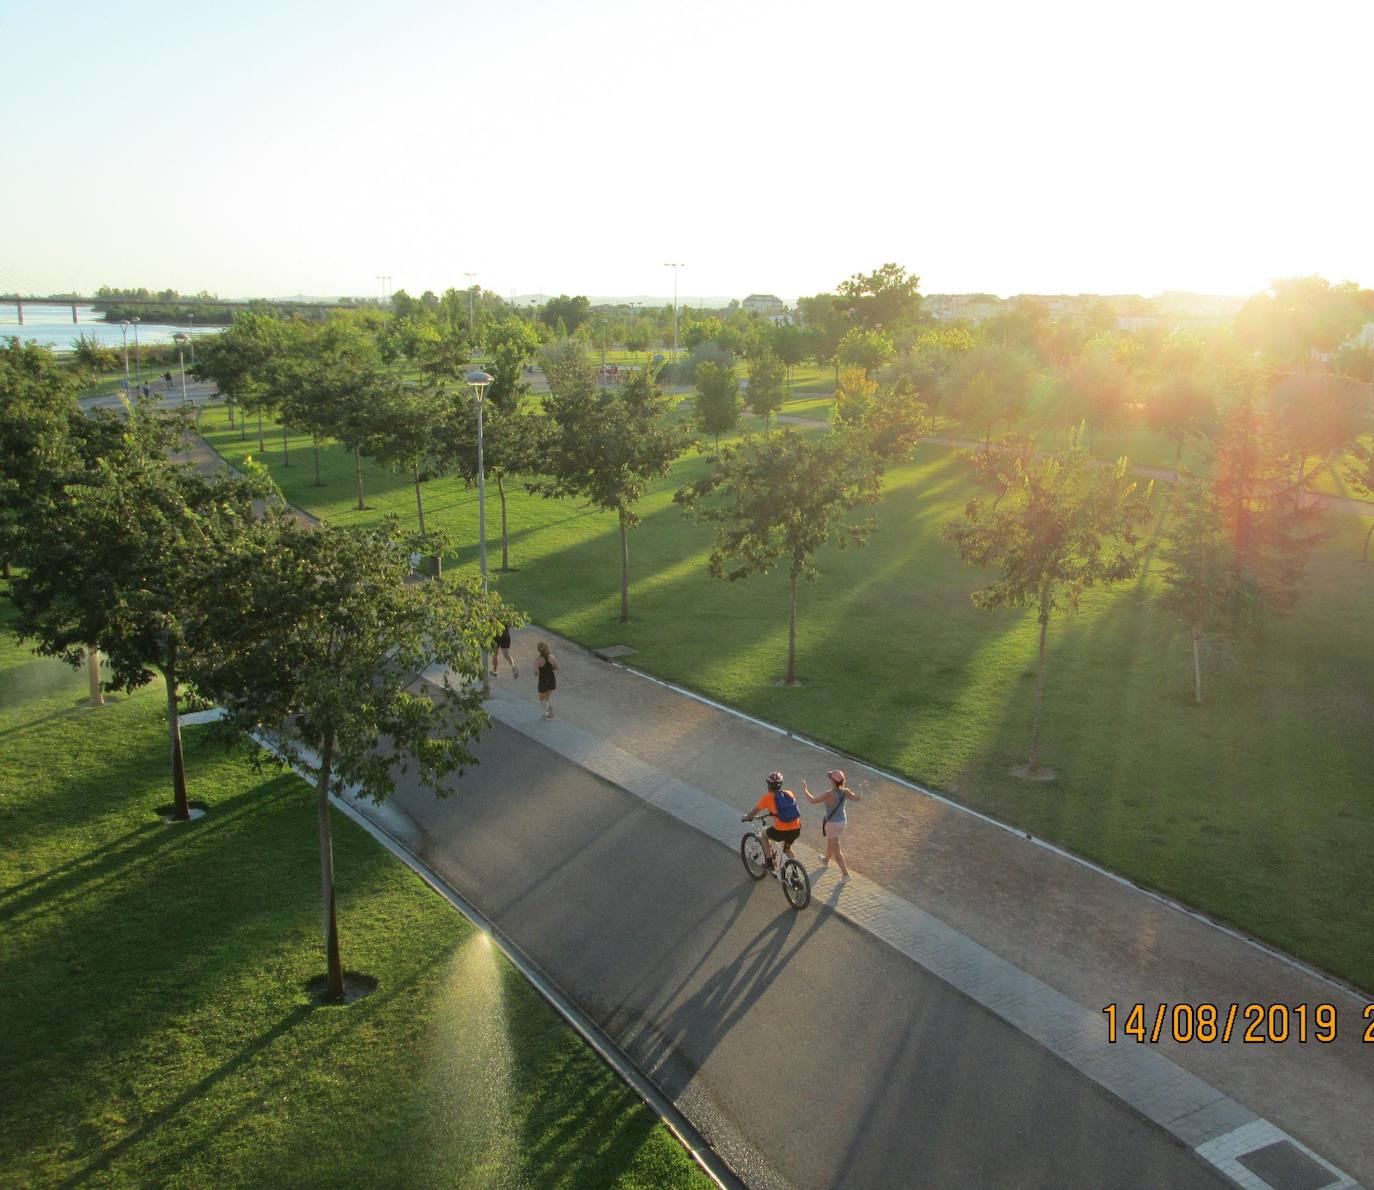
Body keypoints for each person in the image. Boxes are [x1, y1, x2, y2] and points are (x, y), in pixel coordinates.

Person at [802, 770, 860, 879]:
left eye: (830, 778)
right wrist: (862, 788)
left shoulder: (829, 794)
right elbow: (858, 798)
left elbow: (812, 800)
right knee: (831, 842)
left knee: (836, 850)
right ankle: (825, 860)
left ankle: (845, 874)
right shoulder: (846, 791)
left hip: (832, 824)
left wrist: (805, 789)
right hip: (842, 822)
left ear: (833, 781)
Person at [744, 771, 801, 869]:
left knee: (763, 836)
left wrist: (746, 818)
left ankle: (770, 864)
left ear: (769, 785)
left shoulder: (767, 798)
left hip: (780, 831)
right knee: (787, 849)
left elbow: (754, 812)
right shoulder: (789, 793)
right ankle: (795, 872)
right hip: (796, 829)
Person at [535, 641, 557, 718]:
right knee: (547, 697)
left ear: (539, 651)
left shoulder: (538, 660)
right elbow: (556, 667)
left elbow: (536, 672)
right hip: (552, 680)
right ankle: (549, 712)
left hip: (543, 682)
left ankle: (549, 711)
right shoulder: (552, 657)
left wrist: (538, 671)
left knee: (541, 699)